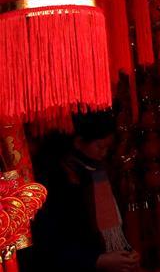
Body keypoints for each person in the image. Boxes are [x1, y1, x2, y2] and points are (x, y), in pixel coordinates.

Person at [27, 111, 139, 272]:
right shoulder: (53, 179)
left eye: (108, 147)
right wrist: (97, 260)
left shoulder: (100, 173)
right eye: (100, 146)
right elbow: (49, 245)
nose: (104, 153)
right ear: (78, 142)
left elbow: (112, 229)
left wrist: (126, 254)